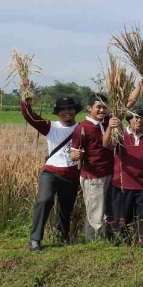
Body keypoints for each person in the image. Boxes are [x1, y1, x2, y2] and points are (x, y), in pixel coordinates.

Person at [71, 79, 143, 241]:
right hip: (93, 176)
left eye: (105, 107)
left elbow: (128, 103)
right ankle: (94, 242)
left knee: (107, 209)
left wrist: (139, 85)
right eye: (98, 107)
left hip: (111, 173)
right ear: (89, 108)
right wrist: (77, 156)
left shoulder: (109, 120)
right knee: (95, 211)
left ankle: (106, 238)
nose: (102, 110)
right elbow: (73, 154)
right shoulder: (82, 127)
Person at [21, 79, 81, 252]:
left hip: (72, 174)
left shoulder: (82, 128)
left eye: (69, 108)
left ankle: (62, 237)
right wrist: (25, 92)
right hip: (51, 172)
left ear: (75, 110)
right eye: (62, 109)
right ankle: (35, 239)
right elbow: (29, 116)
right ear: (58, 112)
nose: (67, 112)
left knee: (66, 207)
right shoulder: (50, 127)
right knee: (44, 200)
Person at [103, 107, 143, 239]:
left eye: (142, 118)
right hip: (122, 185)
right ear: (129, 120)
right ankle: (121, 241)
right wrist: (110, 128)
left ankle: (142, 241)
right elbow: (107, 144)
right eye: (135, 117)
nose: (139, 120)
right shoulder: (119, 135)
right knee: (122, 218)